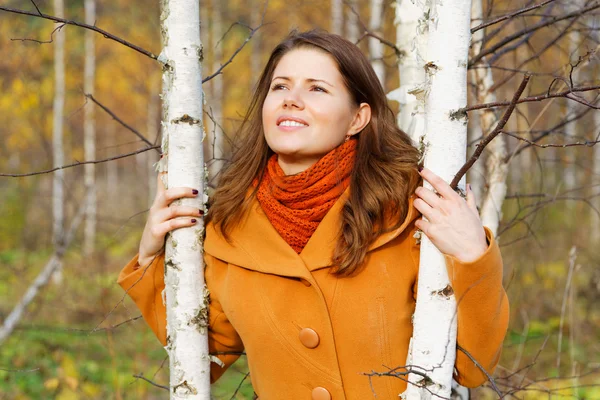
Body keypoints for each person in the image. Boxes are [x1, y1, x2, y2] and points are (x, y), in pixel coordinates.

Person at [118, 30, 509, 399]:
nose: (291, 99)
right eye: (280, 86)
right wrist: (153, 257)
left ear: (358, 118)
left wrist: (475, 256)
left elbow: (470, 368)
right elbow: (207, 353)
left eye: (317, 89)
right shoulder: (228, 224)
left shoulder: (409, 210)